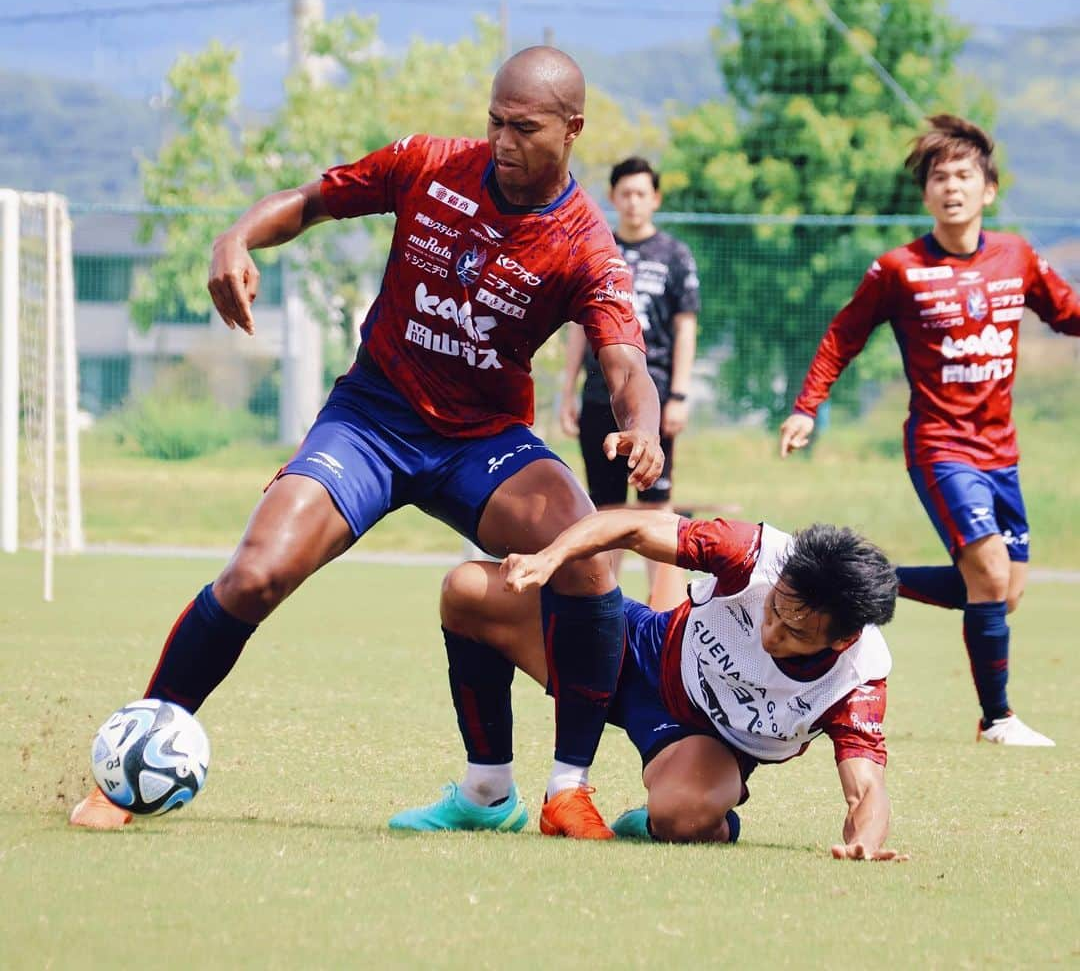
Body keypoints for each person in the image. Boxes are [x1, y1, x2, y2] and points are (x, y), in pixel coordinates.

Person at [70, 46, 663, 835]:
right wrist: (236, 238)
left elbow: (625, 363)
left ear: (573, 129)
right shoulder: (427, 164)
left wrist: (644, 425)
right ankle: (129, 770)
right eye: (495, 121)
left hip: (482, 441)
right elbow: (312, 202)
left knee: (586, 555)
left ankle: (564, 790)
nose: (503, 140)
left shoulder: (587, 244)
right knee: (254, 575)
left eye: (524, 127)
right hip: (372, 419)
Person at [779, 114, 1080, 748]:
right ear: (926, 195)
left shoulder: (1016, 256)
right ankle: (997, 720)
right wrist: (807, 406)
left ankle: (857, 574)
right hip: (941, 447)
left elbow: (1068, 312)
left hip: (1002, 450)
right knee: (990, 576)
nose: (951, 187)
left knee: (1001, 592)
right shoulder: (899, 269)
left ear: (988, 189)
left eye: (964, 176)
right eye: (939, 178)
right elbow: (843, 335)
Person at [392, 508, 905, 862]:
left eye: (796, 632)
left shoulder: (857, 678)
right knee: (468, 591)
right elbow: (634, 528)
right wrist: (551, 557)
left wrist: (864, 843)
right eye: (774, 610)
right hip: (633, 649)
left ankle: (659, 822)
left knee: (684, 818)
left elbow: (865, 791)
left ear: (842, 641)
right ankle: (487, 793)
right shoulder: (754, 554)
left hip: (699, 743)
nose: (773, 632)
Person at [560, 157, 699, 608]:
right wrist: (566, 392)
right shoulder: (599, 250)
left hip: (652, 398)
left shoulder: (675, 256)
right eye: (626, 194)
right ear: (614, 199)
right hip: (600, 396)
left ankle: (664, 609)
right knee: (605, 507)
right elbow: (579, 327)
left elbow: (685, 329)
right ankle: (608, 606)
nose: (634, 202)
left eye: (642, 193)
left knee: (656, 503)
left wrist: (677, 395)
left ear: (655, 199)